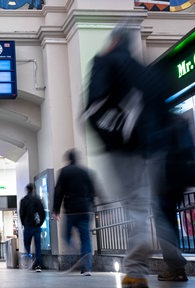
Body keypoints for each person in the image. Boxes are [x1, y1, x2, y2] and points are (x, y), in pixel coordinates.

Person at [87, 24, 187, 288]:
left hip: (122, 146)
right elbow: (165, 112)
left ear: (113, 42)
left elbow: (94, 104)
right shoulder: (147, 71)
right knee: (147, 206)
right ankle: (164, 262)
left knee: (135, 208)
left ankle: (136, 268)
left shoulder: (104, 60)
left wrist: (110, 137)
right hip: (152, 150)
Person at [52, 149, 96, 276]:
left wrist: (56, 209)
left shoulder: (65, 171)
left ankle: (76, 249)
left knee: (66, 235)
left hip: (71, 210)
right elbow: (92, 190)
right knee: (86, 239)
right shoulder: (85, 172)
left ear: (68, 159)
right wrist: (91, 206)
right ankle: (87, 268)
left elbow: (58, 191)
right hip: (85, 210)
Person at [19, 183, 46, 272]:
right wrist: (40, 223)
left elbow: (21, 213)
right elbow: (43, 213)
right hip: (36, 226)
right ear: (33, 190)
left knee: (27, 244)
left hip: (27, 226)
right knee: (38, 246)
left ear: (27, 190)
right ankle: (38, 265)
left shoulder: (23, 200)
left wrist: (23, 223)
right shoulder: (37, 200)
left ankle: (29, 260)